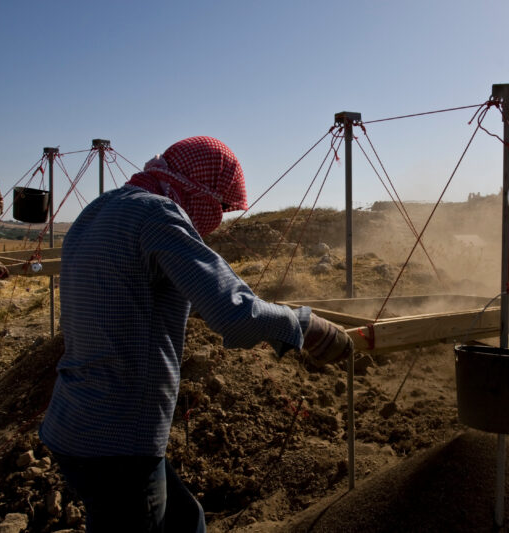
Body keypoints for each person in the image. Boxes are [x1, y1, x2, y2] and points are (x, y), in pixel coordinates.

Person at [39, 136, 353, 532]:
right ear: (197, 188)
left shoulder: (99, 209)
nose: (217, 218)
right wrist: (303, 325)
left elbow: (129, 296)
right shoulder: (159, 215)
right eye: (219, 206)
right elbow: (237, 315)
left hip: (73, 421)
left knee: (187, 521)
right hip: (120, 439)